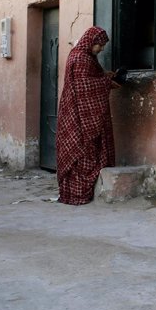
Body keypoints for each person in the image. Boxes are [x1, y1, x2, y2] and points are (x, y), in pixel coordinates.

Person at [56, 26, 120, 205]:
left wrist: (104, 76)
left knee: (79, 148)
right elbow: (84, 87)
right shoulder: (82, 58)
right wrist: (107, 82)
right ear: (90, 41)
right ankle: (77, 193)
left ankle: (73, 193)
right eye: (99, 45)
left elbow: (90, 78)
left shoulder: (81, 56)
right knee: (82, 148)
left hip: (73, 109)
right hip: (79, 114)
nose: (100, 49)